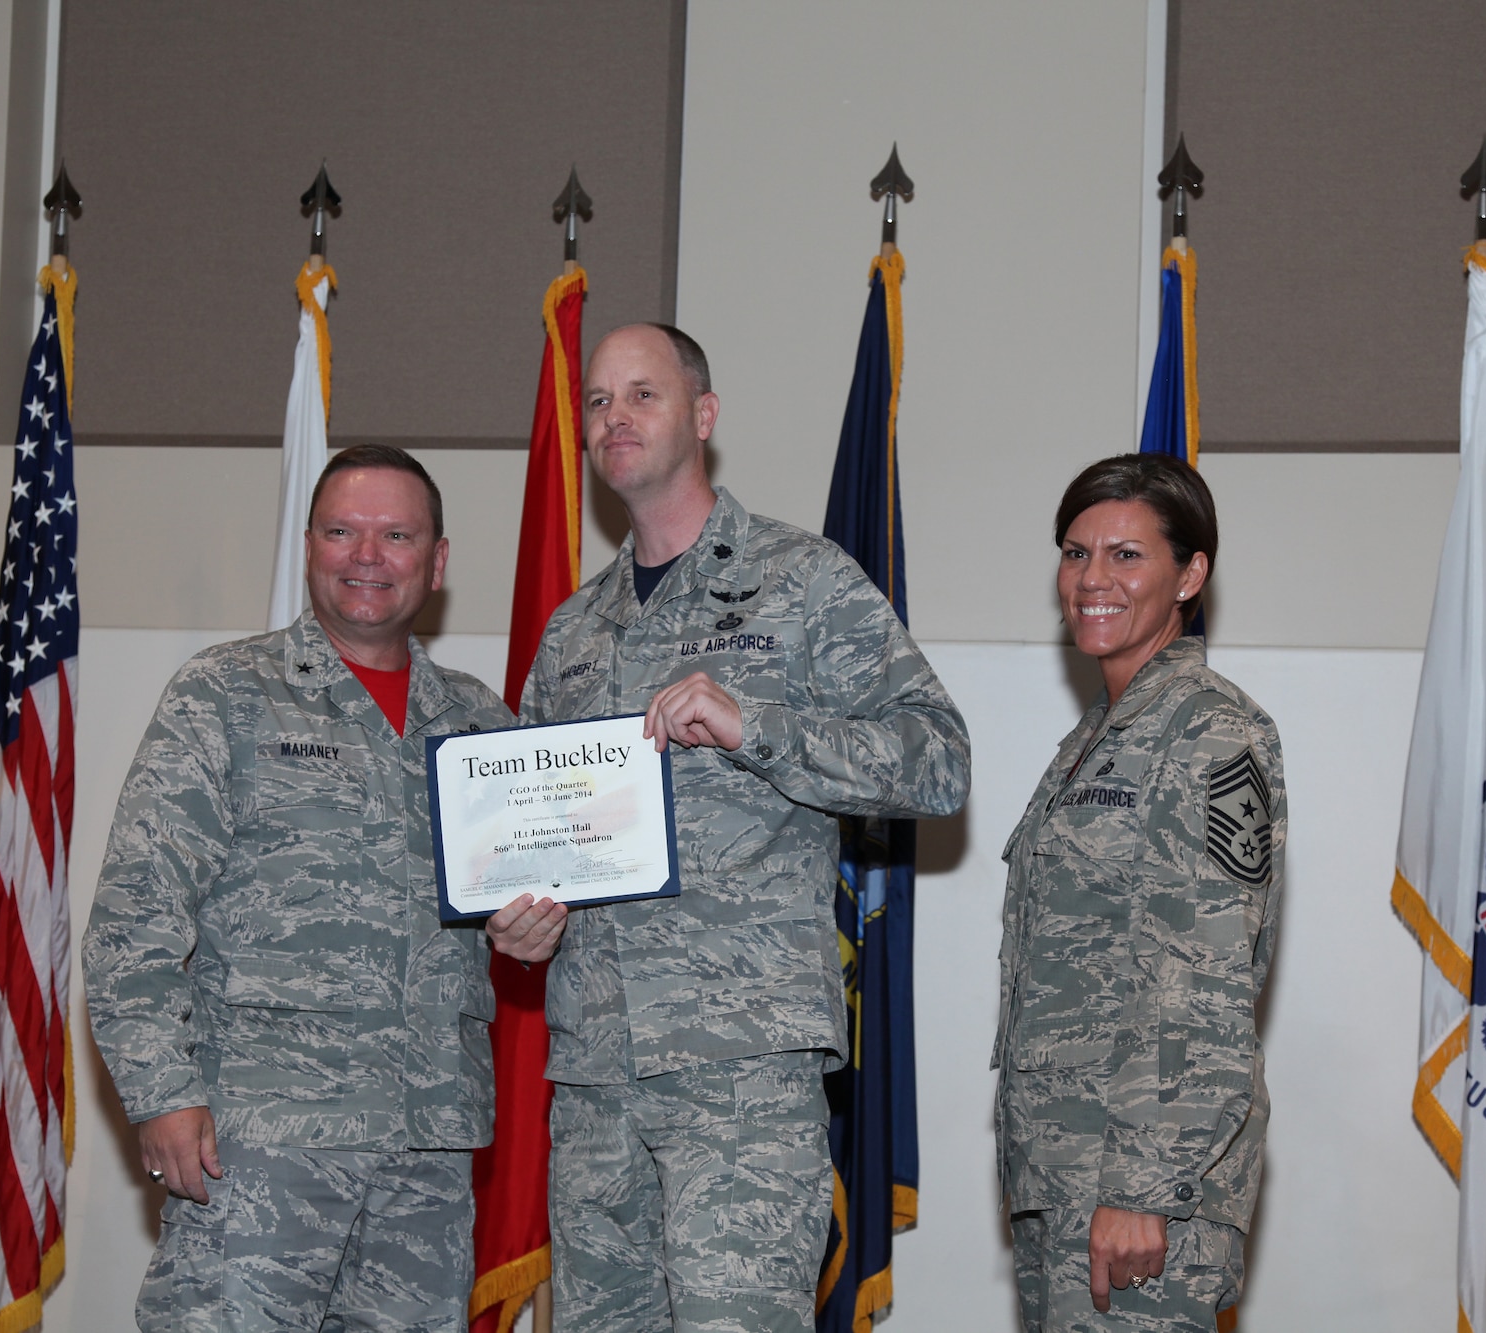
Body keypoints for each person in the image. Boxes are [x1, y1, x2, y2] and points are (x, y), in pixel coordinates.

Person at [486, 323, 970, 1332]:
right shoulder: (573, 634)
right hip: (594, 1086)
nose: (614, 417)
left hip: (738, 1076)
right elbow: (533, 844)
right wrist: (519, 925)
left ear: (701, 417)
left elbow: (937, 758)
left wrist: (758, 728)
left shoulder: (802, 582)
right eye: (598, 400)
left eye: (642, 394)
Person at [83, 444, 511, 1332]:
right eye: (342, 531)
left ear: (437, 560)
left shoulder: (481, 723)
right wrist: (162, 1090)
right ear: (309, 546)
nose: (367, 555)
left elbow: (517, 906)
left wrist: (539, 927)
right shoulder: (226, 694)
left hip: (428, 1150)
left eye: (397, 534)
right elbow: (136, 913)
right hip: (261, 1136)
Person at [993, 454, 1285, 1332]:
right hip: (1066, 1176)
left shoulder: (1206, 729)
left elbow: (1201, 977)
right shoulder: (1097, 736)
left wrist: (1142, 1188)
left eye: (1126, 556)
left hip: (1141, 1192)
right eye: (1076, 553)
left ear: (1190, 574)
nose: (1092, 579)